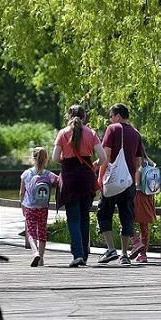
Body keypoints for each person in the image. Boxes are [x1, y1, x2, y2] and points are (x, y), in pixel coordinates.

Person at [52, 105, 108, 267]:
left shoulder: (62, 133)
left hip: (69, 179)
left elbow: (55, 158)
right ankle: (84, 254)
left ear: (68, 116)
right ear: (84, 117)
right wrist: (94, 165)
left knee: (73, 219)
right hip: (86, 178)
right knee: (84, 218)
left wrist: (67, 160)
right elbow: (103, 157)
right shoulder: (91, 133)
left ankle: (77, 255)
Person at [96, 104, 145, 266]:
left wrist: (100, 178)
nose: (110, 119)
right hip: (129, 181)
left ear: (117, 116)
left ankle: (111, 249)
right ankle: (124, 254)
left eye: (111, 116)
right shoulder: (136, 133)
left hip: (112, 181)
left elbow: (106, 155)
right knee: (127, 216)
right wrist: (135, 184)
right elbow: (138, 163)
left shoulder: (112, 129)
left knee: (103, 214)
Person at [19, 147, 59, 267]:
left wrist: (22, 206)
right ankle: (41, 259)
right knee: (42, 232)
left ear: (33, 158)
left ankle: (35, 252)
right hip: (43, 208)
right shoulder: (49, 175)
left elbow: (21, 193)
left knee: (30, 233)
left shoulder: (26, 174)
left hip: (30, 207)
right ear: (46, 159)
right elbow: (60, 182)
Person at [131, 151, 157, 263]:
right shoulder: (151, 163)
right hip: (149, 196)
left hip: (138, 195)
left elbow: (136, 183)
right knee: (144, 226)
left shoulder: (137, 162)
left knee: (127, 220)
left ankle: (137, 243)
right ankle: (143, 254)